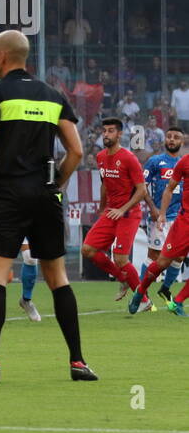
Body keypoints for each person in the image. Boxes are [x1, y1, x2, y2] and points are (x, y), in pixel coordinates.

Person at [0, 29, 92, 383]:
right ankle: (78, 362)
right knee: (58, 278)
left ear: (3, 57)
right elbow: (77, 151)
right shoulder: (53, 96)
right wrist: (56, 184)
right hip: (45, 194)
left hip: (7, 193)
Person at [80, 117, 148, 301]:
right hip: (111, 212)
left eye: (111, 131)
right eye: (104, 131)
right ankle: (122, 278)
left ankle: (144, 301)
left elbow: (142, 190)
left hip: (129, 213)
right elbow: (104, 183)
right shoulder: (101, 157)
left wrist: (122, 208)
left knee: (120, 259)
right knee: (87, 249)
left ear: (120, 134)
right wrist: (102, 207)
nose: (106, 134)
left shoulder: (129, 158)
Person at [130, 126, 186, 309]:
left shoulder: (182, 162)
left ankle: (166, 289)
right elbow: (143, 186)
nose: (171, 140)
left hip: (179, 217)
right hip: (160, 217)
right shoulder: (155, 161)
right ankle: (142, 293)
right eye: (169, 136)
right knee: (155, 257)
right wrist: (153, 208)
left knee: (178, 258)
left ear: (182, 142)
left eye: (176, 137)